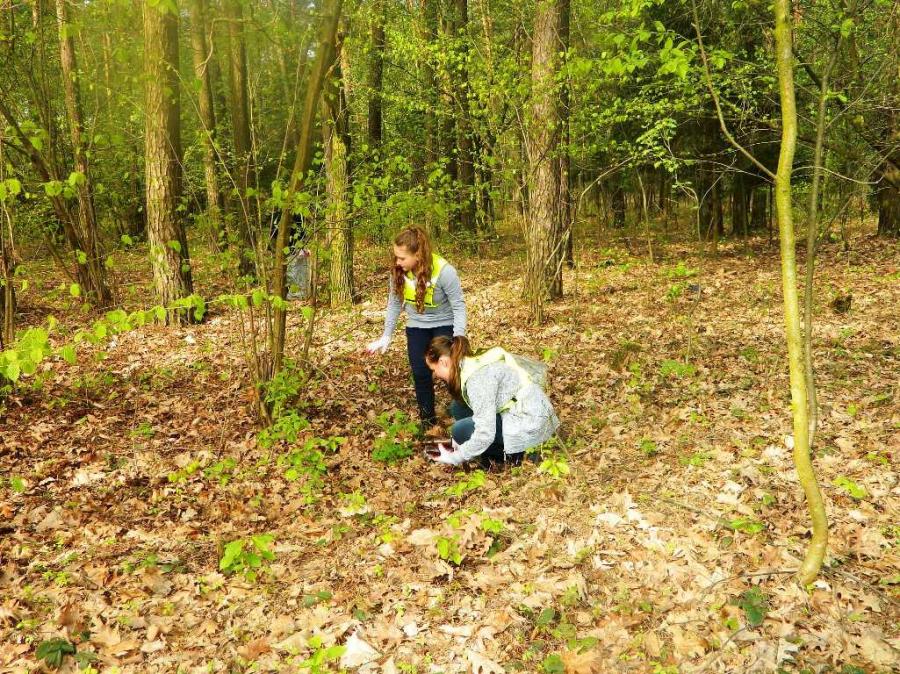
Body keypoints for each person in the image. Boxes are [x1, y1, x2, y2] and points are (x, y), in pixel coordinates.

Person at [366, 227, 467, 430]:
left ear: (418, 255)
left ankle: (465, 416)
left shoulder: (445, 272)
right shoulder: (398, 272)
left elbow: (458, 306)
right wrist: (386, 336)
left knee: (450, 372)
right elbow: (395, 303)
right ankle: (427, 423)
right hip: (416, 327)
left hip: (444, 324)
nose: (397, 262)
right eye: (396, 257)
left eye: (402, 258)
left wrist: (459, 338)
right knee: (420, 374)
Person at [424, 335, 559, 466]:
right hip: (524, 409)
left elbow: (485, 433)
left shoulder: (477, 380)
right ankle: (490, 451)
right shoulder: (469, 362)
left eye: (434, 369)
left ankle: (517, 455)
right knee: (458, 408)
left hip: (530, 424)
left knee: (460, 430)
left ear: (443, 362)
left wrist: (456, 457)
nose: (435, 375)